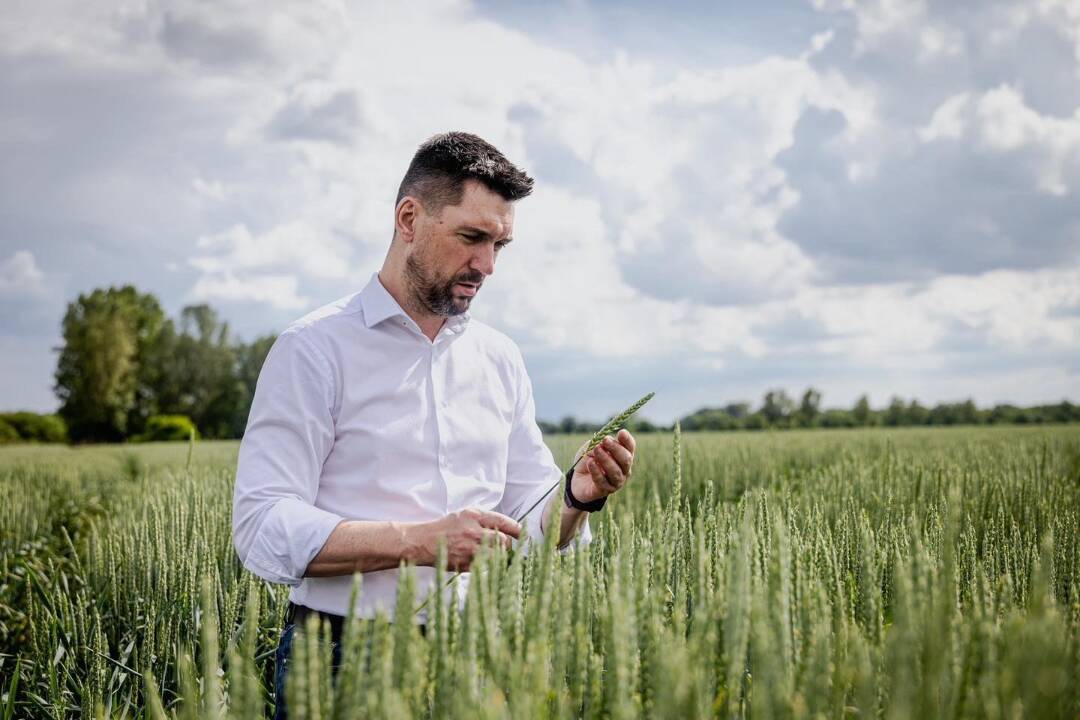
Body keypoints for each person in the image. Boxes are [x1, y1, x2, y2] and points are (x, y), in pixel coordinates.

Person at [231, 131, 637, 718]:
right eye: (472, 237)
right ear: (409, 218)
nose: (487, 264)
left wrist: (578, 496)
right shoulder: (313, 349)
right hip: (342, 655)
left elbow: (533, 524)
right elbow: (262, 526)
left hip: (474, 654)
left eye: (501, 244)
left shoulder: (499, 358)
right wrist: (421, 541)